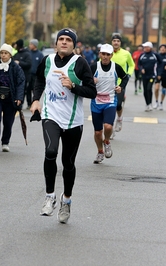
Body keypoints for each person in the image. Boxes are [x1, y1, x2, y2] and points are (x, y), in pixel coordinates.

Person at [30, 28, 96, 223]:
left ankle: (66, 200)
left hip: (73, 120)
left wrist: (73, 86)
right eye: (61, 39)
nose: (64, 42)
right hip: (51, 115)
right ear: (56, 43)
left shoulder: (80, 63)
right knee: (50, 152)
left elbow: (92, 91)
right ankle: (49, 196)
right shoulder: (47, 60)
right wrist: (35, 100)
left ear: (74, 44)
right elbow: (39, 79)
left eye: (68, 40)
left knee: (68, 163)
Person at [89, 44, 129, 164]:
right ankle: (100, 152)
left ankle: (106, 141)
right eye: (103, 54)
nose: (105, 57)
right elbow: (84, 79)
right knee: (97, 132)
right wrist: (91, 81)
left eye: (108, 55)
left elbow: (125, 77)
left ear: (111, 55)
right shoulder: (93, 67)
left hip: (110, 101)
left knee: (108, 126)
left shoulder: (115, 67)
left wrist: (120, 87)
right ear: (99, 54)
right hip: (96, 102)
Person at [110, 33, 134, 136]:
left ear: (120, 43)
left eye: (118, 41)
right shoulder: (107, 52)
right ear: (112, 42)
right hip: (108, 83)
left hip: (120, 83)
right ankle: (110, 130)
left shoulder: (126, 53)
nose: (116, 42)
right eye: (114, 41)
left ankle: (119, 119)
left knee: (118, 104)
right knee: (109, 106)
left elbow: (132, 65)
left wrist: (128, 74)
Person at [138, 42, 162, 111]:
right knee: (145, 90)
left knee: (149, 88)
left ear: (150, 48)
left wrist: (158, 73)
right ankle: (147, 104)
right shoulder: (142, 55)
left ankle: (150, 103)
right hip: (144, 76)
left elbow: (160, 64)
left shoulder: (155, 55)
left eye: (146, 47)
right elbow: (138, 64)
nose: (145, 48)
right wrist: (141, 69)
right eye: (144, 47)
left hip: (152, 75)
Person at [153, 44, 166, 110]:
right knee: (156, 88)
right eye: (161, 48)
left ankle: (161, 103)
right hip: (158, 74)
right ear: (159, 49)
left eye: (164, 48)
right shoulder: (157, 56)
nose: (163, 49)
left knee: (164, 90)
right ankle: (156, 102)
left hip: (165, 75)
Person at [13, 39, 32, 109]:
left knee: (23, 91)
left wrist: (19, 63)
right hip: (16, 76)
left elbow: (29, 64)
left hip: (25, 76)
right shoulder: (16, 54)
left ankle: (21, 103)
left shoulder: (27, 54)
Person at [27, 39, 43, 108]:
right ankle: (29, 103)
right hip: (28, 74)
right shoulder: (28, 53)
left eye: (31, 44)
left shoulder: (40, 54)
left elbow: (42, 65)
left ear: (35, 45)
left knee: (35, 89)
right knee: (28, 89)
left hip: (36, 76)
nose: (29, 45)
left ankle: (35, 102)